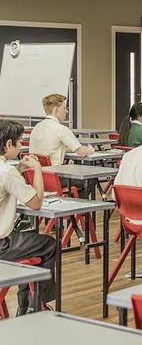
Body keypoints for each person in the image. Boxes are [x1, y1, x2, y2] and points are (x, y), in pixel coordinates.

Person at [0, 120, 56, 316]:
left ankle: (27, 304)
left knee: (29, 237)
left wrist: (20, 168)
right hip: (2, 246)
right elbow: (36, 203)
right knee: (48, 244)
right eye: (19, 142)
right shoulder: (7, 172)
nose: (21, 146)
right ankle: (33, 305)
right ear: (8, 145)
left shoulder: (7, 171)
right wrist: (37, 169)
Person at [29, 94, 95, 165]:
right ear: (56, 110)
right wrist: (90, 150)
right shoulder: (61, 129)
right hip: (55, 172)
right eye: (64, 108)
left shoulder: (36, 127)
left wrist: (70, 149)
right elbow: (82, 153)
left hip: (36, 173)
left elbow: (51, 149)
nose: (66, 111)